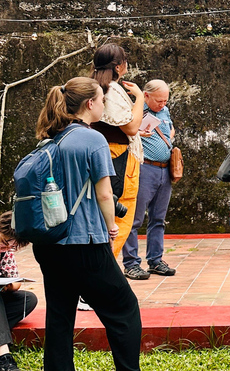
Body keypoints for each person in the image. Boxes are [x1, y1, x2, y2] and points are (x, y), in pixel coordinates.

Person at [32, 77, 142, 371]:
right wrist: (112, 227)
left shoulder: (51, 137)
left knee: (60, 316)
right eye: (103, 100)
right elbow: (105, 192)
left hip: (49, 243)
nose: (104, 105)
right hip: (84, 242)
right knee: (124, 309)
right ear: (90, 104)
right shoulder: (93, 139)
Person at [90, 43, 144, 260]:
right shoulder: (112, 89)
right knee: (120, 215)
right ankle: (104, 270)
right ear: (120, 66)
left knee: (105, 214)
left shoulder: (93, 86)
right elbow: (131, 127)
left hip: (107, 153)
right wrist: (140, 97)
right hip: (119, 157)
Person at [123, 80, 177, 279]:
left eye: (165, 101)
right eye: (158, 101)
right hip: (144, 167)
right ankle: (131, 263)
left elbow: (170, 130)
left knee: (158, 218)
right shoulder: (136, 110)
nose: (162, 104)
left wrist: (170, 136)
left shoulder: (165, 111)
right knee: (135, 218)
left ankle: (155, 260)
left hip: (164, 169)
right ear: (146, 95)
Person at [0, 212, 37, 371]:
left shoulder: (6, 251)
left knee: (29, 299)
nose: (6, 247)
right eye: (4, 242)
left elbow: (14, 279)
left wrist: (9, 286)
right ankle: (4, 356)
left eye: (11, 246)